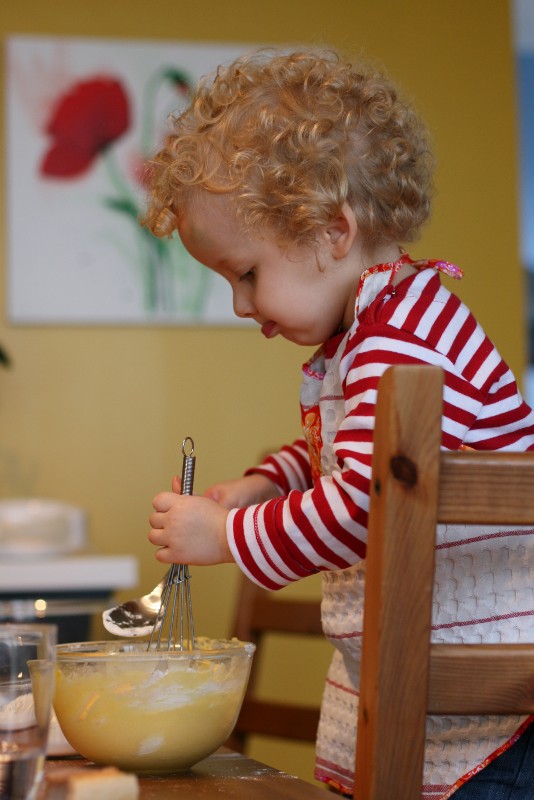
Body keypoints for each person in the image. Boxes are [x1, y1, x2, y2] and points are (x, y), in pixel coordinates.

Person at [141, 47, 534, 799]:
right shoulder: (378, 328)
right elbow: (353, 459)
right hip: (429, 693)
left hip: (484, 720)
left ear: (332, 228)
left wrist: (226, 536)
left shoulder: (403, 341)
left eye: (247, 273)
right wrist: (269, 482)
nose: (241, 306)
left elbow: (365, 503)